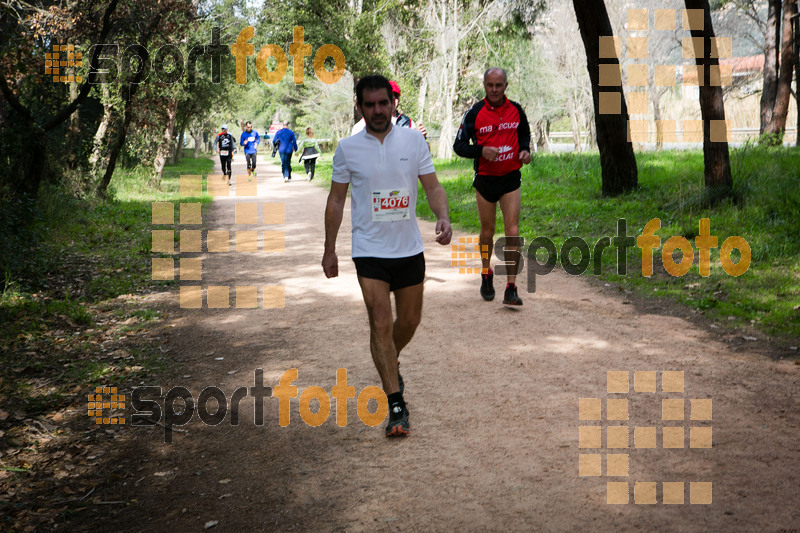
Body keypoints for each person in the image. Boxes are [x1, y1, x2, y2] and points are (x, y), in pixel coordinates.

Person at [323, 75, 452, 438]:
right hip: (369, 251)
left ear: (393, 104)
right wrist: (329, 248)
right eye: (370, 105)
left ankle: (388, 357)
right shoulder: (348, 148)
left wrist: (442, 215)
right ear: (359, 106)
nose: (378, 111)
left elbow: (433, 185)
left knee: (409, 321)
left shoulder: (413, 140)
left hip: (408, 247)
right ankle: (396, 403)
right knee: (380, 320)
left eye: (383, 104)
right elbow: (335, 200)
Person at [453, 67, 532, 306]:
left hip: (510, 177)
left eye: (499, 85)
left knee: (513, 231)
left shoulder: (516, 110)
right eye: (490, 85)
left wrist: (525, 150)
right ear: (484, 85)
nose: (494, 90)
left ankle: (511, 287)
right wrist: (480, 151)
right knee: (487, 233)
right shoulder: (474, 113)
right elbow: (459, 146)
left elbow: (524, 135)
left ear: (506, 85)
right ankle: (486, 273)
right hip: (486, 179)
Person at [350, 80, 428, 138]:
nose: (393, 98)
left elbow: (416, 152)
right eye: (390, 96)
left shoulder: (408, 123)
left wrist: (419, 137)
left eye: (396, 96)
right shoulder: (361, 125)